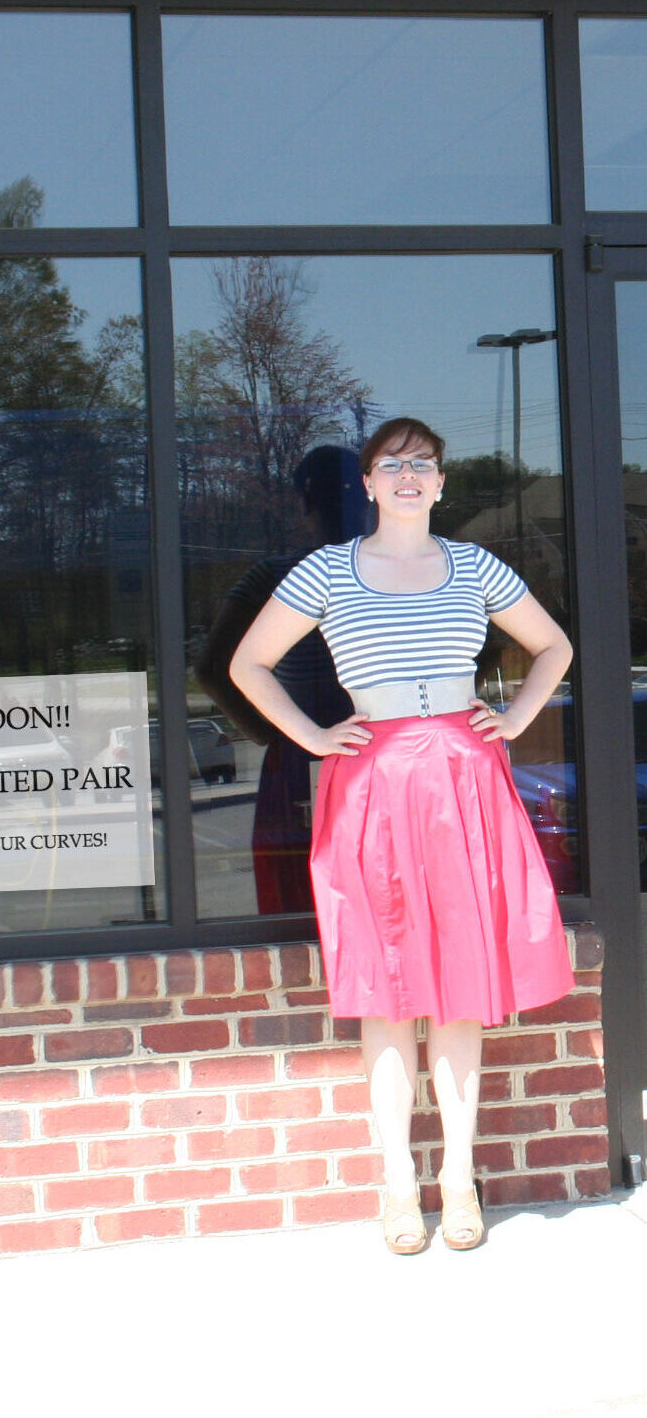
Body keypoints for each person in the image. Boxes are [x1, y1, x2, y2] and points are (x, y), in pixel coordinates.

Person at [229, 416, 575, 1255]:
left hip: (461, 776)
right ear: (369, 483)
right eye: (393, 464)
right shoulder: (327, 571)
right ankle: (395, 1186)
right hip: (374, 781)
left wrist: (518, 714)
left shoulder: (472, 565)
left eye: (423, 463)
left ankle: (456, 1180)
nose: (409, 475)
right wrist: (312, 735)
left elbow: (554, 645)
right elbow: (248, 664)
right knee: (384, 992)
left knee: (459, 991)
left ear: (441, 483)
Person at [196, 447, 364, 914]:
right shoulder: (401, 575)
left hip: (303, 750)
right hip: (375, 745)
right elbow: (486, 644)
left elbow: (213, 669)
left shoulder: (274, 575)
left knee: (298, 906)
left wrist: (274, 735)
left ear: (303, 505)